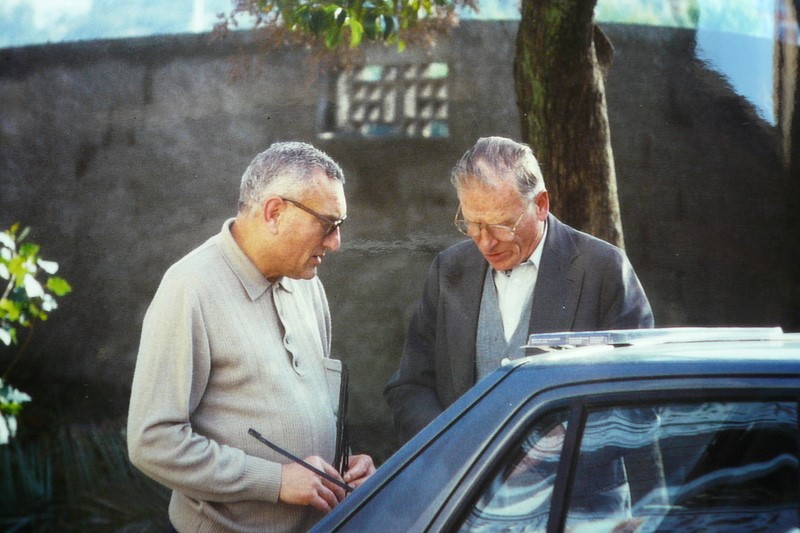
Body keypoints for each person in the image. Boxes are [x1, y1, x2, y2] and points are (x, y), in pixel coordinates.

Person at [127, 142, 375, 533]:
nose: (335, 243)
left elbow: (308, 413)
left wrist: (342, 465)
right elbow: (152, 442)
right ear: (275, 212)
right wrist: (275, 481)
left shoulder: (307, 283)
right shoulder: (189, 288)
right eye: (328, 224)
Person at [384, 136, 654, 443]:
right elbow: (409, 387)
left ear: (540, 205)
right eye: (472, 223)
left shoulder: (603, 269)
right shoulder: (449, 268)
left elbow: (640, 405)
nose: (485, 241)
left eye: (501, 224)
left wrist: (562, 442)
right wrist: (451, 444)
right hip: (468, 487)